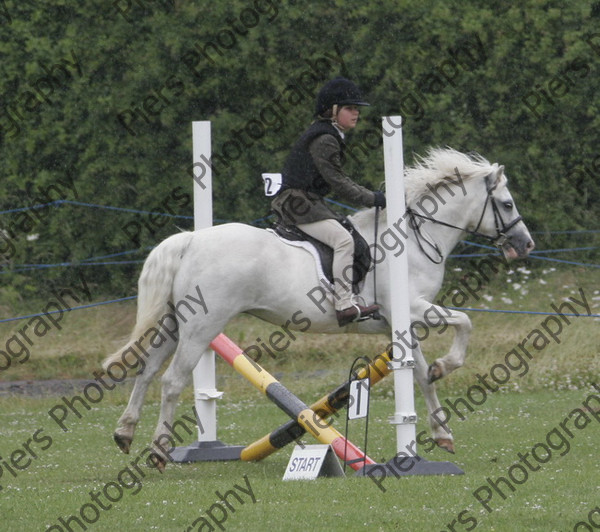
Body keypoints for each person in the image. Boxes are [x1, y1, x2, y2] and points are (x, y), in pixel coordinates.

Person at [271, 77, 386, 327]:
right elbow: (339, 182)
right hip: (298, 204)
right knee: (343, 240)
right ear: (333, 110)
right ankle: (344, 303)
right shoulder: (325, 139)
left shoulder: (327, 133)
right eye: (350, 108)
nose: (356, 113)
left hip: (305, 201)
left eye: (356, 109)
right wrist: (373, 198)